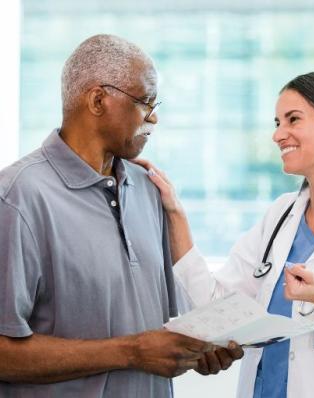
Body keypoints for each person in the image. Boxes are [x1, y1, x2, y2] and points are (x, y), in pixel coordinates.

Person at [137, 72, 314, 398]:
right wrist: (175, 214)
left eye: (292, 120)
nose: (278, 134)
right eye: (277, 122)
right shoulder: (282, 214)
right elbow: (217, 304)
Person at [0, 34, 243, 398]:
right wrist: (131, 353)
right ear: (98, 100)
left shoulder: (149, 190)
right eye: (145, 102)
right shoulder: (18, 197)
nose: (154, 117)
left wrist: (202, 347)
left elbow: (164, 326)